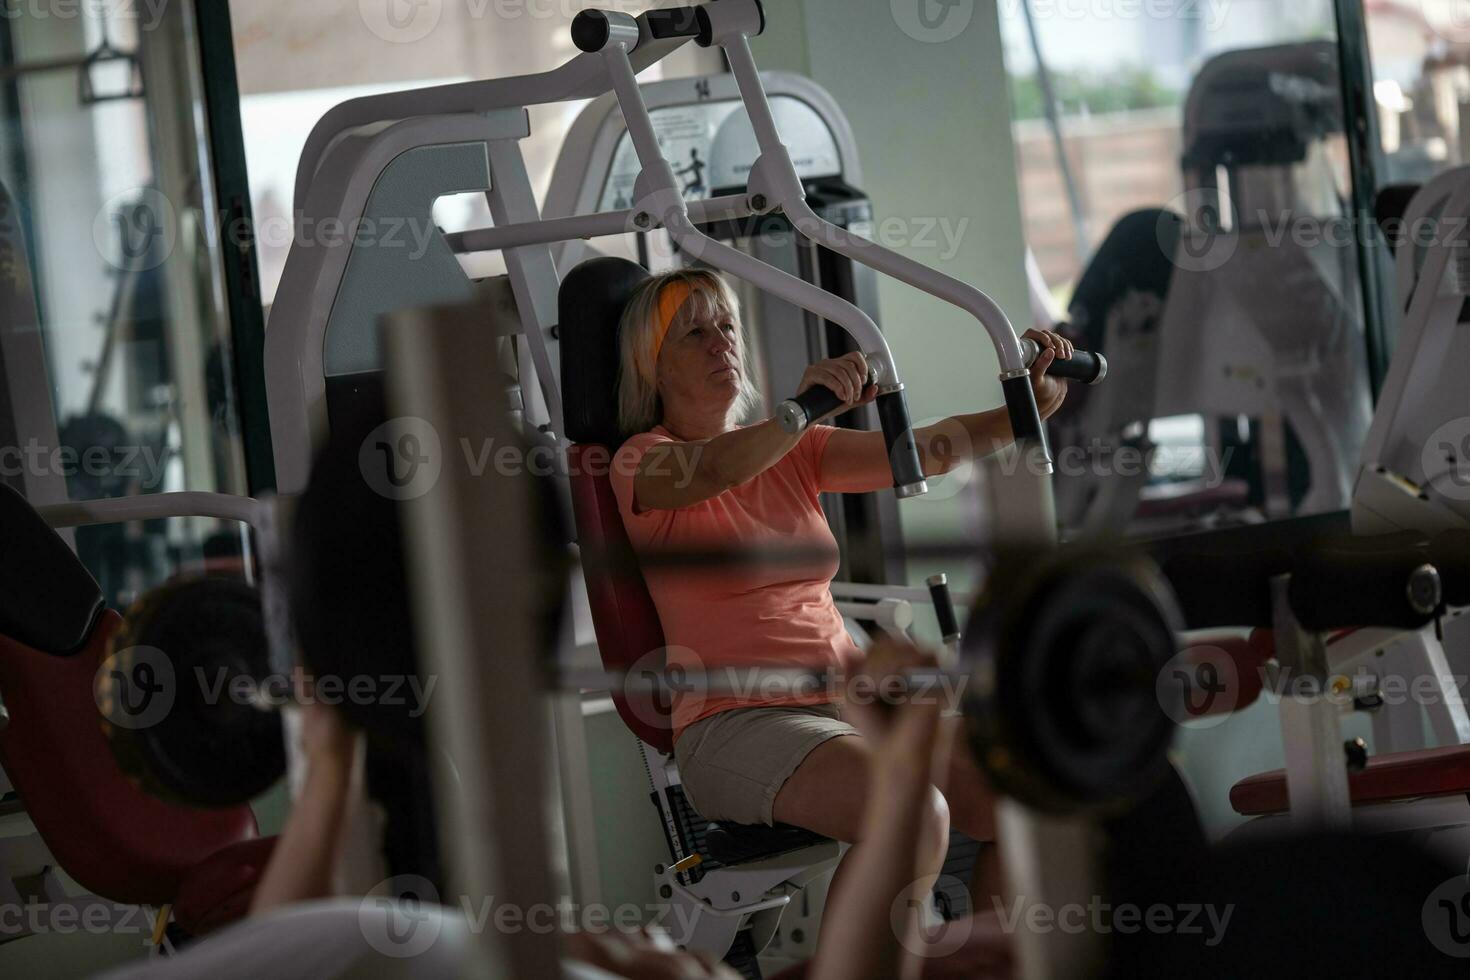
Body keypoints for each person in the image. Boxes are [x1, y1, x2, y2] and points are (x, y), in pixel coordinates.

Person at [609, 268, 1071, 902]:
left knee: (1016, 793)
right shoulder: (642, 461)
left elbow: (927, 451)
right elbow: (714, 467)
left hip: (848, 702)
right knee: (913, 819)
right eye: (694, 334)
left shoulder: (795, 451)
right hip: (737, 723)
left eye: (727, 327)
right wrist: (798, 413)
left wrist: (1024, 409)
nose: (721, 344)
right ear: (653, 370)